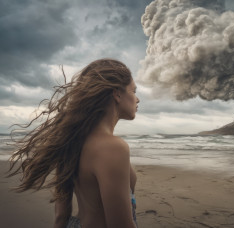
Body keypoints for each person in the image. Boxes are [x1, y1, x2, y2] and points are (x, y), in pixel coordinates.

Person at [7, 58, 140, 228]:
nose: (137, 99)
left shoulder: (73, 141)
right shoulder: (113, 148)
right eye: (134, 91)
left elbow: (61, 215)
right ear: (117, 94)